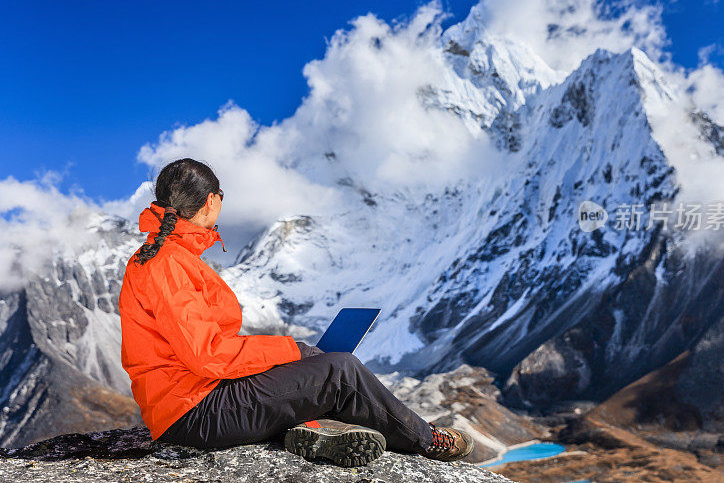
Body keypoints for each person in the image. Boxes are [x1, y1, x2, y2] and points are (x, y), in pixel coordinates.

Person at [118, 158, 474, 467]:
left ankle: (316, 429)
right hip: (193, 413)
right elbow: (207, 355)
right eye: (221, 196)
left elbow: (203, 349)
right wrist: (291, 349)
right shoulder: (167, 265)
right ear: (212, 201)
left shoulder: (166, 257)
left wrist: (285, 358)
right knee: (340, 371)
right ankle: (427, 440)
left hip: (197, 399)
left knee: (305, 372)